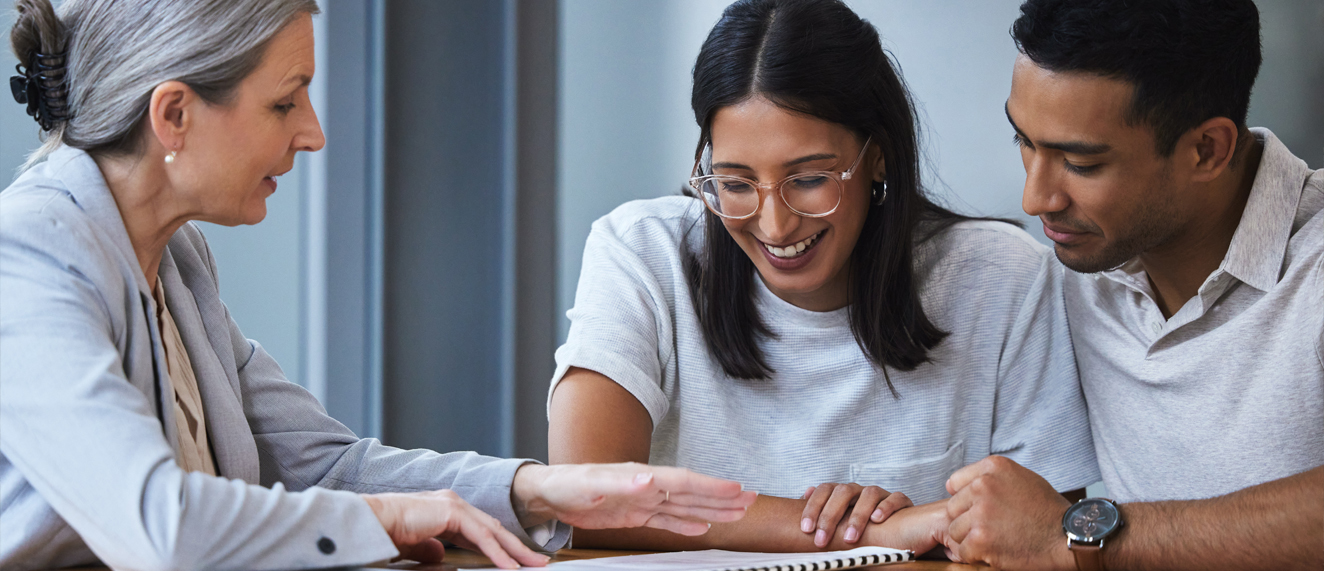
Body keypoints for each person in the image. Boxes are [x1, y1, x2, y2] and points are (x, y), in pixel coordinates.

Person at [0, 1, 758, 570]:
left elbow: (328, 464)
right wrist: (388, 517)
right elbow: (159, 524)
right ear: (174, 114)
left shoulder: (176, 259)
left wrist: (539, 488)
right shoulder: (28, 251)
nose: (314, 131)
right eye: (285, 99)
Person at [547, 0, 1099, 555]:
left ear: (877, 157)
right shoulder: (644, 251)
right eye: (735, 182)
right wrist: (867, 534)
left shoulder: (999, 278)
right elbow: (581, 499)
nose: (775, 224)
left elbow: (1038, 538)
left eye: (809, 178)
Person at [942, 1, 1323, 570]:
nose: (1036, 199)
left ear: (1207, 150)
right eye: (1023, 140)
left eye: (1081, 162)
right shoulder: (1069, 265)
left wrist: (1081, 536)